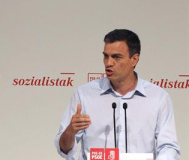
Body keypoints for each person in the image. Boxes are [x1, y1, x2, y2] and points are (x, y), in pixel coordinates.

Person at [55, 29, 180, 160]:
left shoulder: (158, 97)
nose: (108, 63)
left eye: (116, 57)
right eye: (105, 56)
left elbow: (168, 147)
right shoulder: (84, 94)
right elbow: (64, 149)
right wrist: (70, 131)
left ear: (134, 59)